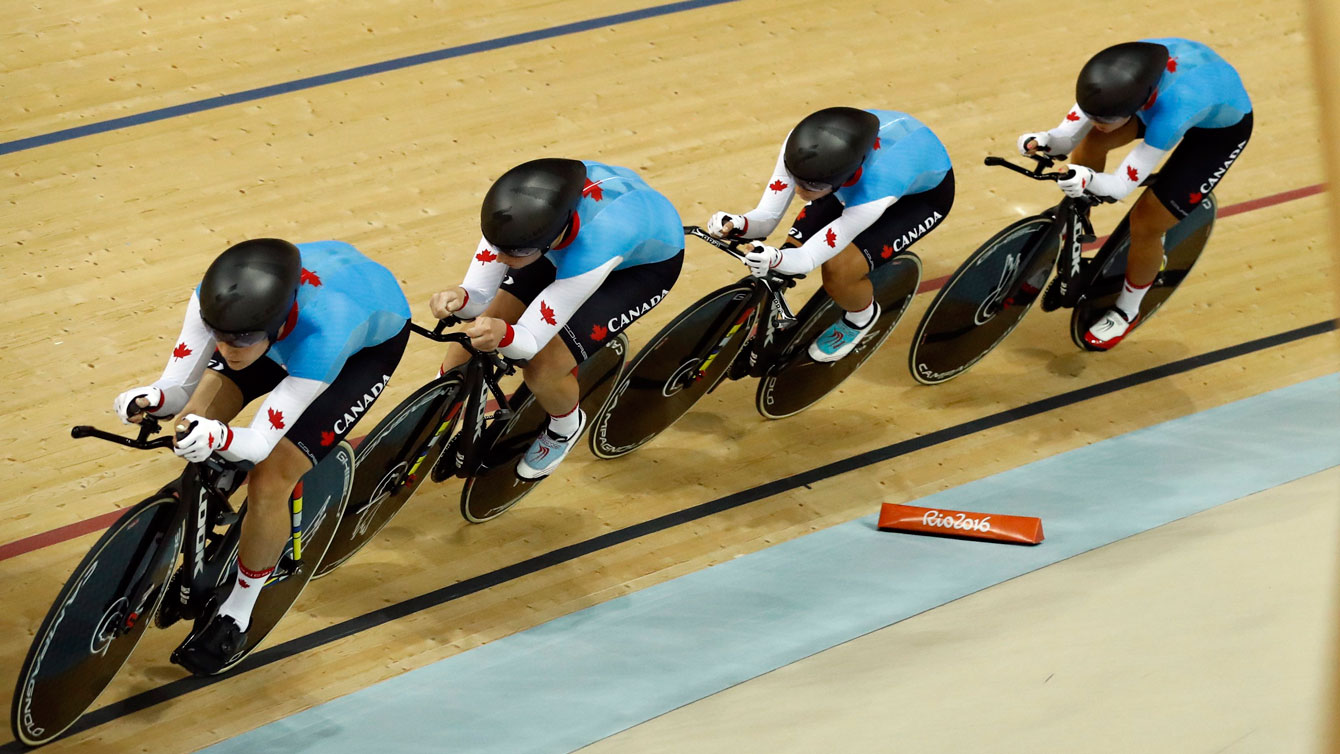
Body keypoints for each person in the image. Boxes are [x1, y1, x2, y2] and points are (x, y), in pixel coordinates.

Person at [113, 238, 411, 674]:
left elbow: (260, 443)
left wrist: (223, 437)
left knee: (271, 478)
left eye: (241, 341)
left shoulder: (327, 331)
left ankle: (240, 606)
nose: (228, 350)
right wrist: (152, 398)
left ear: (272, 325)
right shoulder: (214, 301)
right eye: (221, 338)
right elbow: (177, 391)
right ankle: (209, 517)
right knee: (193, 422)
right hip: (283, 326)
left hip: (356, 351)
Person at [429, 158, 683, 480]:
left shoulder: (594, 246)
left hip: (637, 269)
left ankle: (565, 428)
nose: (501, 259)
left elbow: (528, 342)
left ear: (550, 238)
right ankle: (431, 420)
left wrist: (504, 335)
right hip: (559, 245)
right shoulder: (513, 217)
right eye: (497, 247)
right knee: (465, 345)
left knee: (543, 368)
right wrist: (460, 297)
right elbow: (478, 296)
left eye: (513, 253)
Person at [1018, 38, 1252, 349]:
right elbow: (1067, 137)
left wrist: (1088, 177)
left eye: (1106, 119)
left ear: (1140, 103)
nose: (1098, 123)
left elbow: (1120, 187)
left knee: (1146, 223)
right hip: (1164, 101)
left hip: (1215, 134)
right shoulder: (1111, 79)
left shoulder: (1174, 110)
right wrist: (1045, 139)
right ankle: (1076, 224)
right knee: (1093, 141)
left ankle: (1127, 311)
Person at [705, 106, 954, 362]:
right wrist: (737, 224)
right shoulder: (802, 148)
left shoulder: (874, 192)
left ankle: (861, 318)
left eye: (810, 186)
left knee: (838, 272)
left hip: (920, 200)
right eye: (796, 179)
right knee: (788, 250)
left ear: (846, 178)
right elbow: (766, 218)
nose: (800, 190)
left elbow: (809, 258)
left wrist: (777, 258)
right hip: (851, 178)